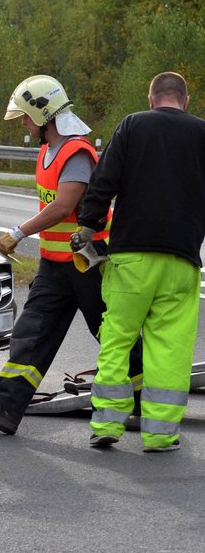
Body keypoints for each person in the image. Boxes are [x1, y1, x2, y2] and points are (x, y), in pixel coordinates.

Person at [0, 75, 142, 434]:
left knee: (112, 335)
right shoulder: (48, 151)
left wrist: (18, 232)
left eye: (27, 118)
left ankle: (144, 400)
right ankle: (5, 406)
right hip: (54, 265)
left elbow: (63, 206)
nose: (25, 125)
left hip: (89, 264)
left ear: (45, 115)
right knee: (31, 333)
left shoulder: (76, 152)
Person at [73, 71, 205, 453]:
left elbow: (103, 181)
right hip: (181, 261)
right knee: (170, 349)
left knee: (117, 339)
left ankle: (108, 425)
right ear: (186, 100)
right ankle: (161, 435)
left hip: (131, 257)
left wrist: (89, 225)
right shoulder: (201, 133)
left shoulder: (133, 124)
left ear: (151, 99)